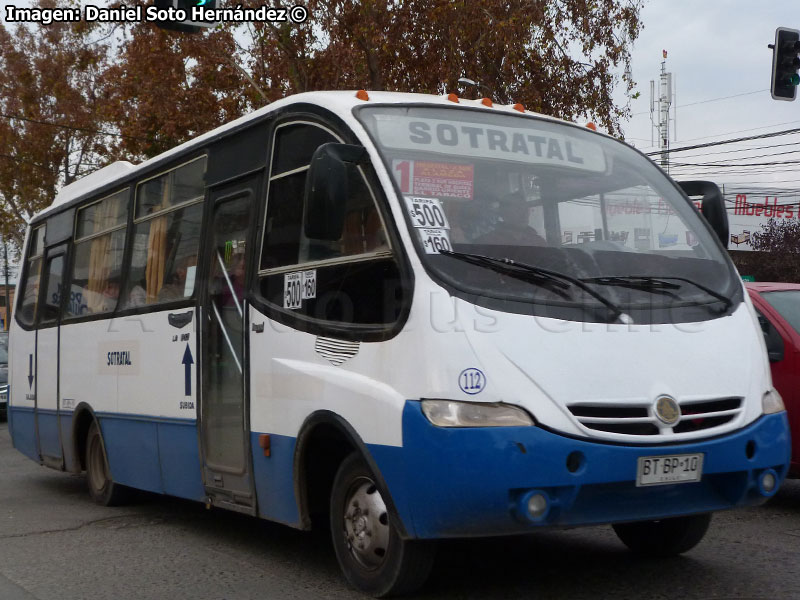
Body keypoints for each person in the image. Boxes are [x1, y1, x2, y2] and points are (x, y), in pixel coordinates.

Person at [474, 191, 547, 246]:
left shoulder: (539, 242)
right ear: (503, 213)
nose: (524, 214)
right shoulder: (486, 242)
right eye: (517, 209)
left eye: (525, 209)